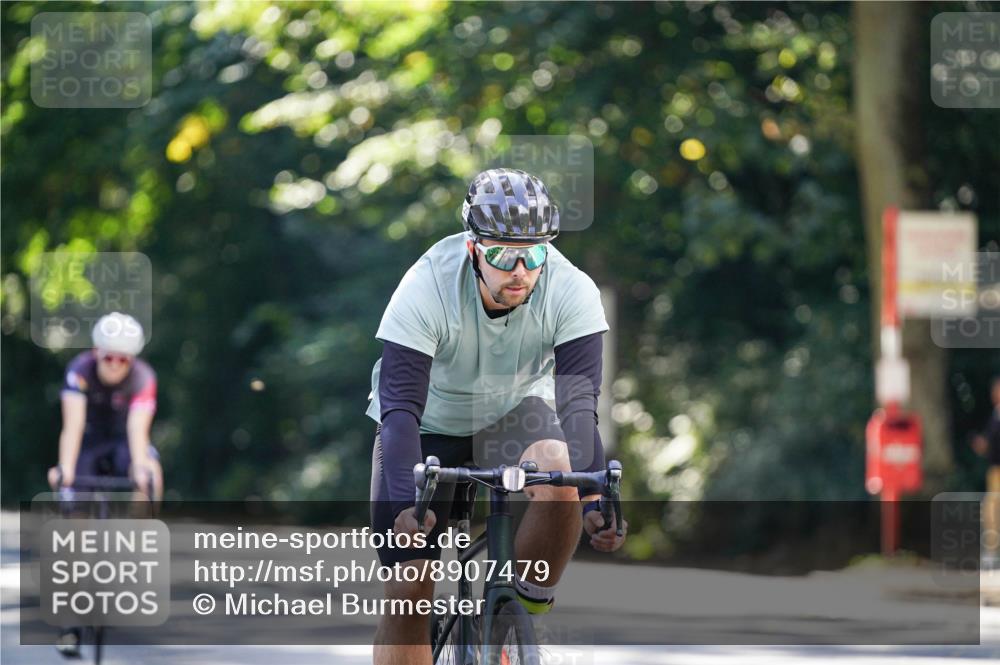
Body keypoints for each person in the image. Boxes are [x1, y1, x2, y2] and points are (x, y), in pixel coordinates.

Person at [367, 168, 627, 665]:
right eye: (503, 255)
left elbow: (577, 406)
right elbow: (399, 410)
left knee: (558, 465)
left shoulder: (571, 290)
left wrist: (594, 498)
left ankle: (514, 614)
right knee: (408, 588)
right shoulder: (426, 286)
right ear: (472, 250)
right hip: (426, 427)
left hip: (512, 415)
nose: (520, 270)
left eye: (534, 254)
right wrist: (407, 501)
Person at [47, 312, 163, 657]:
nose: (115, 364)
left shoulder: (144, 378)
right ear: (97, 352)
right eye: (108, 356)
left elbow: (138, 432)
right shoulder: (79, 371)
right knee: (74, 532)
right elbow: (73, 426)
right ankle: (69, 624)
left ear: (133, 358)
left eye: (123, 358)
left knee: (152, 472)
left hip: (123, 444)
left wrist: (141, 470)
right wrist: (64, 470)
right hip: (87, 443)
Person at [972, 376, 1000, 565]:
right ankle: (991, 551)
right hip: (995, 469)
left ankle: (992, 552)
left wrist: (985, 446)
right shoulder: (996, 414)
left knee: (992, 511)